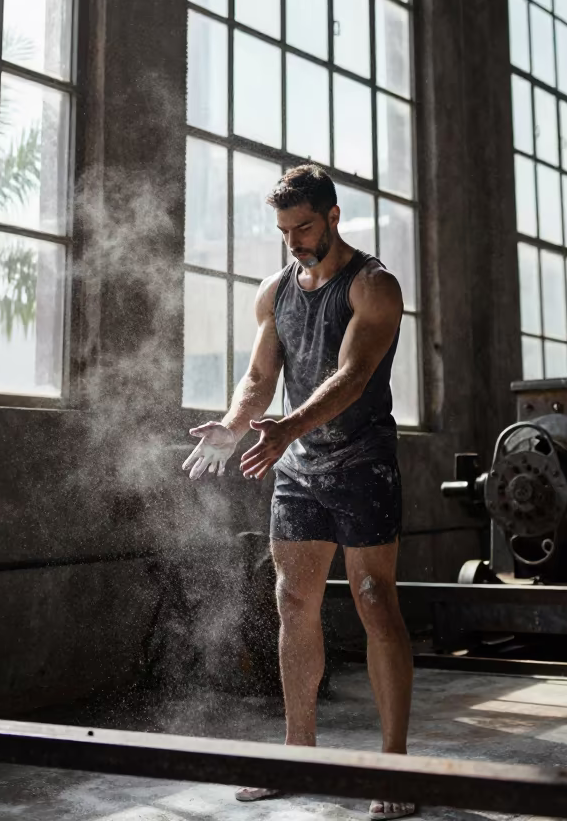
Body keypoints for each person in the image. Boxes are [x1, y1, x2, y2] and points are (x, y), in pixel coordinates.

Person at [183, 164, 415, 818]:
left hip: (364, 463)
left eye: (304, 227)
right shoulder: (276, 291)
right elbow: (259, 377)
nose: (294, 241)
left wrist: (287, 426)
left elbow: (352, 376)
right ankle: (297, 754)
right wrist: (234, 426)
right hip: (299, 468)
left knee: (374, 601)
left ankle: (394, 770)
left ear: (334, 216)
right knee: (293, 602)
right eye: (284, 230)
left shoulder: (374, 285)